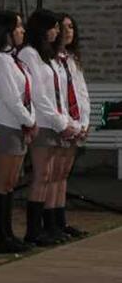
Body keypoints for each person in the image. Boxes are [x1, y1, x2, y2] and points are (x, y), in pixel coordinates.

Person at [18, 9, 76, 246]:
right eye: (52, 27)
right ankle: (34, 229)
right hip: (43, 121)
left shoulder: (46, 55)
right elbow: (39, 95)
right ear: (41, 29)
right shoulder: (29, 54)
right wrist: (59, 121)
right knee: (42, 175)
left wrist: (66, 120)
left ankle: (49, 226)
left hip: (54, 120)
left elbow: (58, 92)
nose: (57, 31)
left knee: (50, 175)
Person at [0, 10, 36, 253]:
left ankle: (8, 233)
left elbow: (27, 93)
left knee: (10, 185)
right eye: (17, 27)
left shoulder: (15, 59)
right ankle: (1, 236)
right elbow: (10, 98)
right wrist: (29, 121)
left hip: (18, 124)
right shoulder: (0, 61)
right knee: (2, 183)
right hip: (5, 124)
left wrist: (29, 119)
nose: (22, 31)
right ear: (6, 31)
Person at [51, 13, 90, 238]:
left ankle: (60, 221)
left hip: (74, 122)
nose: (67, 31)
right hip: (61, 123)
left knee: (62, 175)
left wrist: (83, 122)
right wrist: (67, 123)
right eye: (63, 27)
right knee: (52, 175)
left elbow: (81, 93)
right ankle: (50, 223)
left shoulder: (72, 59)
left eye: (71, 27)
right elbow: (58, 96)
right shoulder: (52, 59)